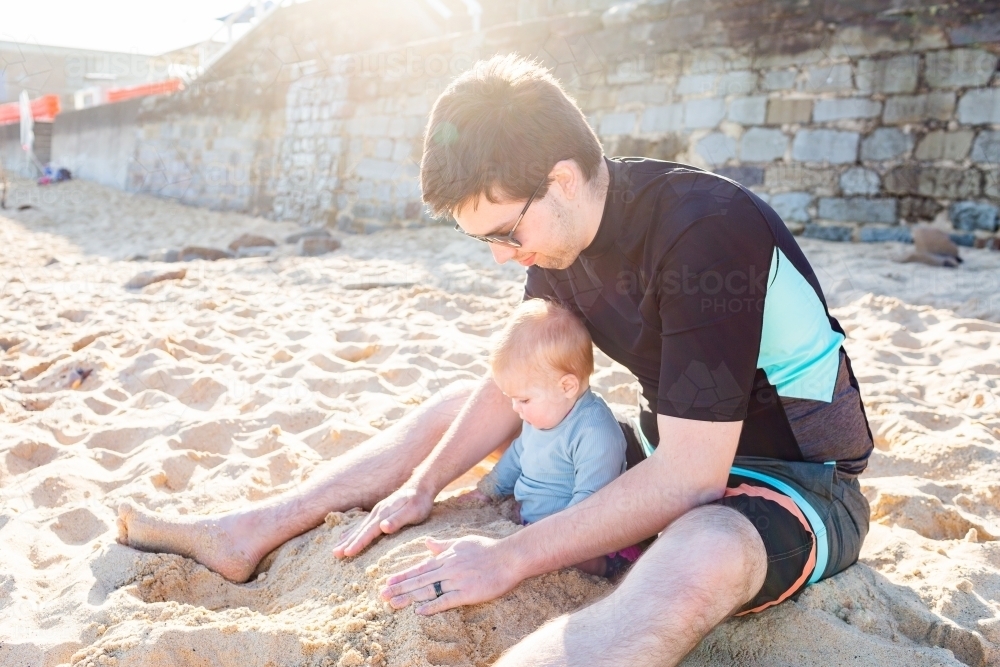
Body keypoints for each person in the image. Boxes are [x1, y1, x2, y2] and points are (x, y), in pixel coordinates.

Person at [117, 53, 873, 666]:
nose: (508, 255)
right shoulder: (560, 239)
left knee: (703, 549)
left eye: (507, 232)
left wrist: (509, 556)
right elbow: (514, 374)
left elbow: (692, 476)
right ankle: (249, 531)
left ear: (563, 179)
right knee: (475, 400)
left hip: (793, 482)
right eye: (487, 241)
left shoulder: (706, 230)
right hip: (669, 440)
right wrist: (423, 485)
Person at [469, 298, 637, 579]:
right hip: (535, 520)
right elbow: (517, 454)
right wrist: (489, 489)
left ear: (567, 386)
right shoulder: (542, 414)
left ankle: (605, 569)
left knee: (582, 560)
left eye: (523, 399)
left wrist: (550, 540)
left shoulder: (595, 433)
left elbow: (590, 504)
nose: (515, 408)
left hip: (582, 535)